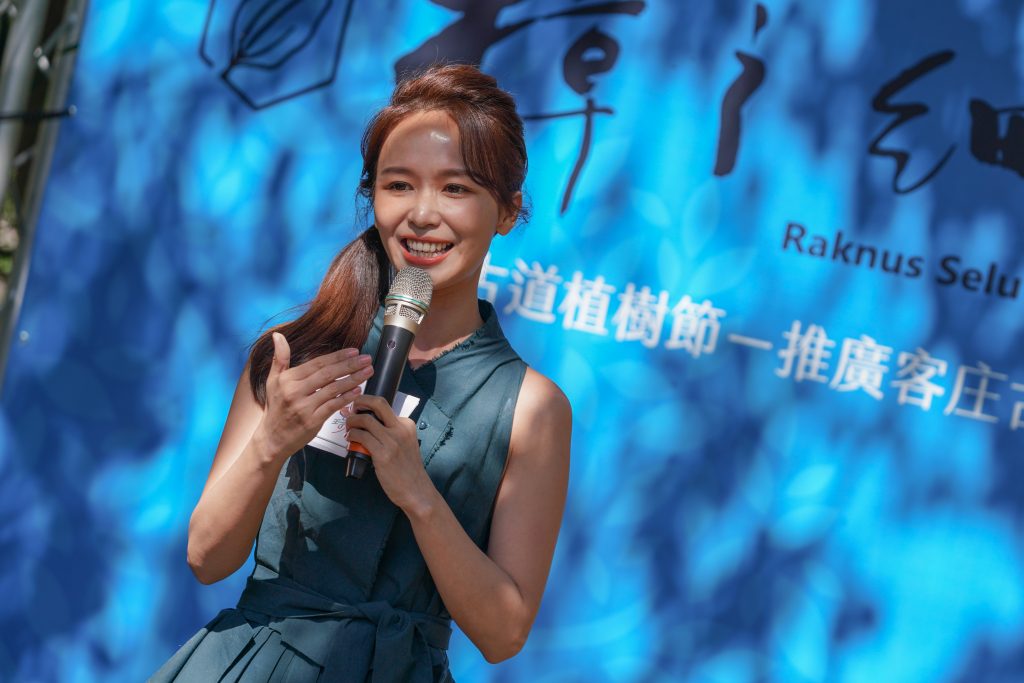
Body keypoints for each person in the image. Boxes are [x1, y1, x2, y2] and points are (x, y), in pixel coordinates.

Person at [150, 64, 571, 682]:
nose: (422, 214)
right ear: (372, 197)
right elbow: (206, 558)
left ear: (508, 211)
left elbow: (504, 634)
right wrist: (272, 443)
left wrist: (418, 494)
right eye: (399, 185)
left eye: (455, 189)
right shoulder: (296, 352)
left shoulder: (531, 406)